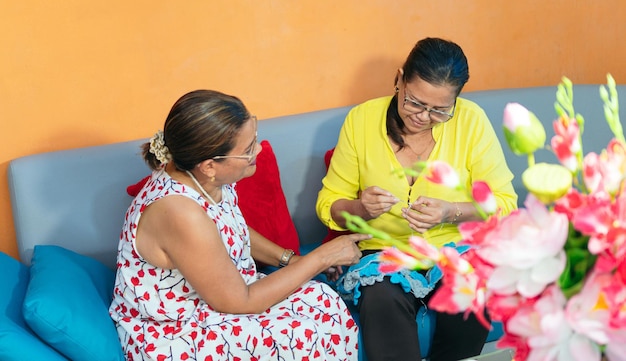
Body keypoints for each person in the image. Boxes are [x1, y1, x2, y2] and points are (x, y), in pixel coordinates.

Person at [109, 89, 370, 361]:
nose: (257, 149)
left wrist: (291, 260)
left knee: (320, 300)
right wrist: (322, 256)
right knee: (306, 331)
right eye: (247, 150)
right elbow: (240, 301)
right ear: (209, 165)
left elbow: (230, 227)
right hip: (177, 330)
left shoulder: (199, 175)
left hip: (221, 295)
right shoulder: (180, 212)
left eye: (254, 138)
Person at [316, 37, 518, 361]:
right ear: (399, 80)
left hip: (454, 249)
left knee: (471, 294)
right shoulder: (361, 120)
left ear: (455, 102)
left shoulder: (471, 121)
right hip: (382, 251)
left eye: (439, 110)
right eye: (414, 102)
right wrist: (358, 208)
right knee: (381, 300)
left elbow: (504, 203)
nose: (423, 117)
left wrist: (451, 211)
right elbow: (329, 204)